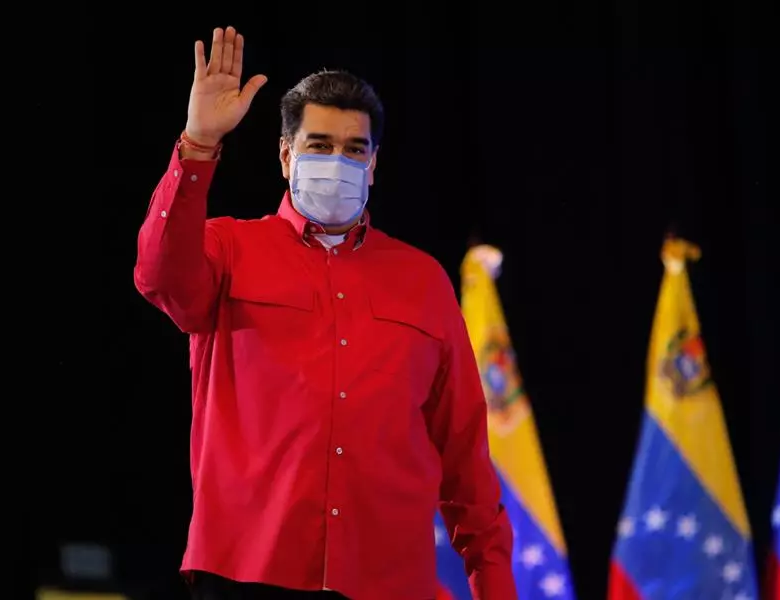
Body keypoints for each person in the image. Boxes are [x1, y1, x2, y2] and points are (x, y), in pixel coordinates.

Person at [134, 26, 515, 600]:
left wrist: (494, 583)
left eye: (354, 149)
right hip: (249, 573)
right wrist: (198, 144)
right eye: (318, 145)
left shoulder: (423, 281)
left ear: (374, 163)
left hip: (389, 582)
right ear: (286, 155)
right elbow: (158, 276)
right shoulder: (227, 249)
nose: (338, 161)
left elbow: (465, 455)